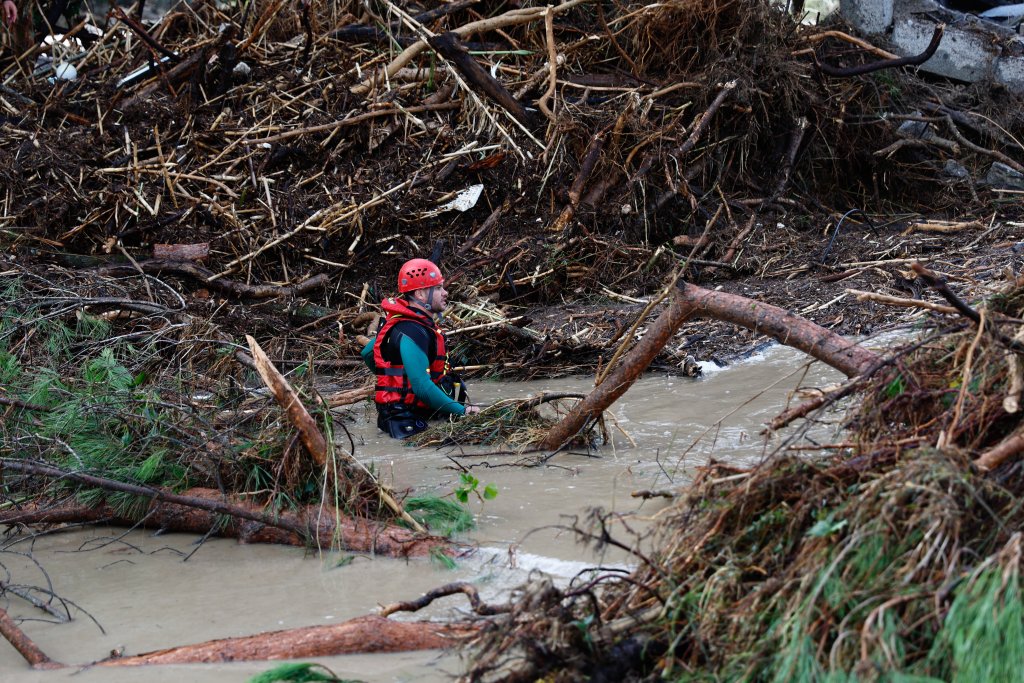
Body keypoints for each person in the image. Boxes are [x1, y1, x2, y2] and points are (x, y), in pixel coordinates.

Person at [361, 258, 479, 438]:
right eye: (438, 288)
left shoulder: (406, 324)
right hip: (404, 421)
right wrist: (462, 411)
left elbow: (369, 353)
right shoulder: (412, 332)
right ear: (421, 294)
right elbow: (422, 388)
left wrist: (394, 378)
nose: (445, 292)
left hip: (408, 414)